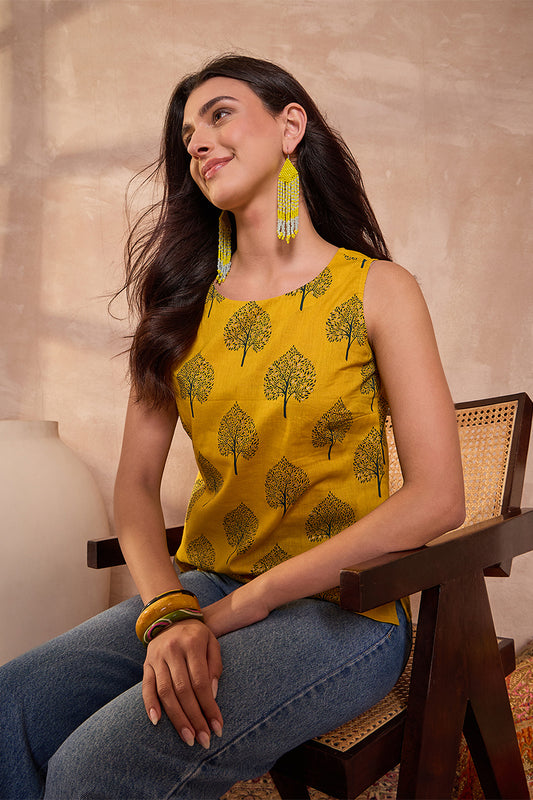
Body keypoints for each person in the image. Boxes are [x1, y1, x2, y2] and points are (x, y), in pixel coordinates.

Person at [0, 54, 465, 799]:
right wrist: (169, 613)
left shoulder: (378, 289)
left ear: (290, 126)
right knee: (10, 707)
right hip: (201, 590)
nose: (197, 141)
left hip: (344, 609)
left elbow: (438, 497)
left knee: (96, 768)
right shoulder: (179, 310)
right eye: (187, 133)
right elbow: (135, 487)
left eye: (219, 114)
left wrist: (243, 607)